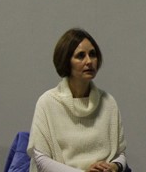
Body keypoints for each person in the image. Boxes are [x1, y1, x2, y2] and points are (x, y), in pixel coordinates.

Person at [27, 29, 127, 172]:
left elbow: (120, 153)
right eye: (80, 56)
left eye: (92, 54)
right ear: (66, 61)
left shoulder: (108, 102)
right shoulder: (47, 102)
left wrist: (114, 166)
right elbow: (41, 159)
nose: (89, 61)